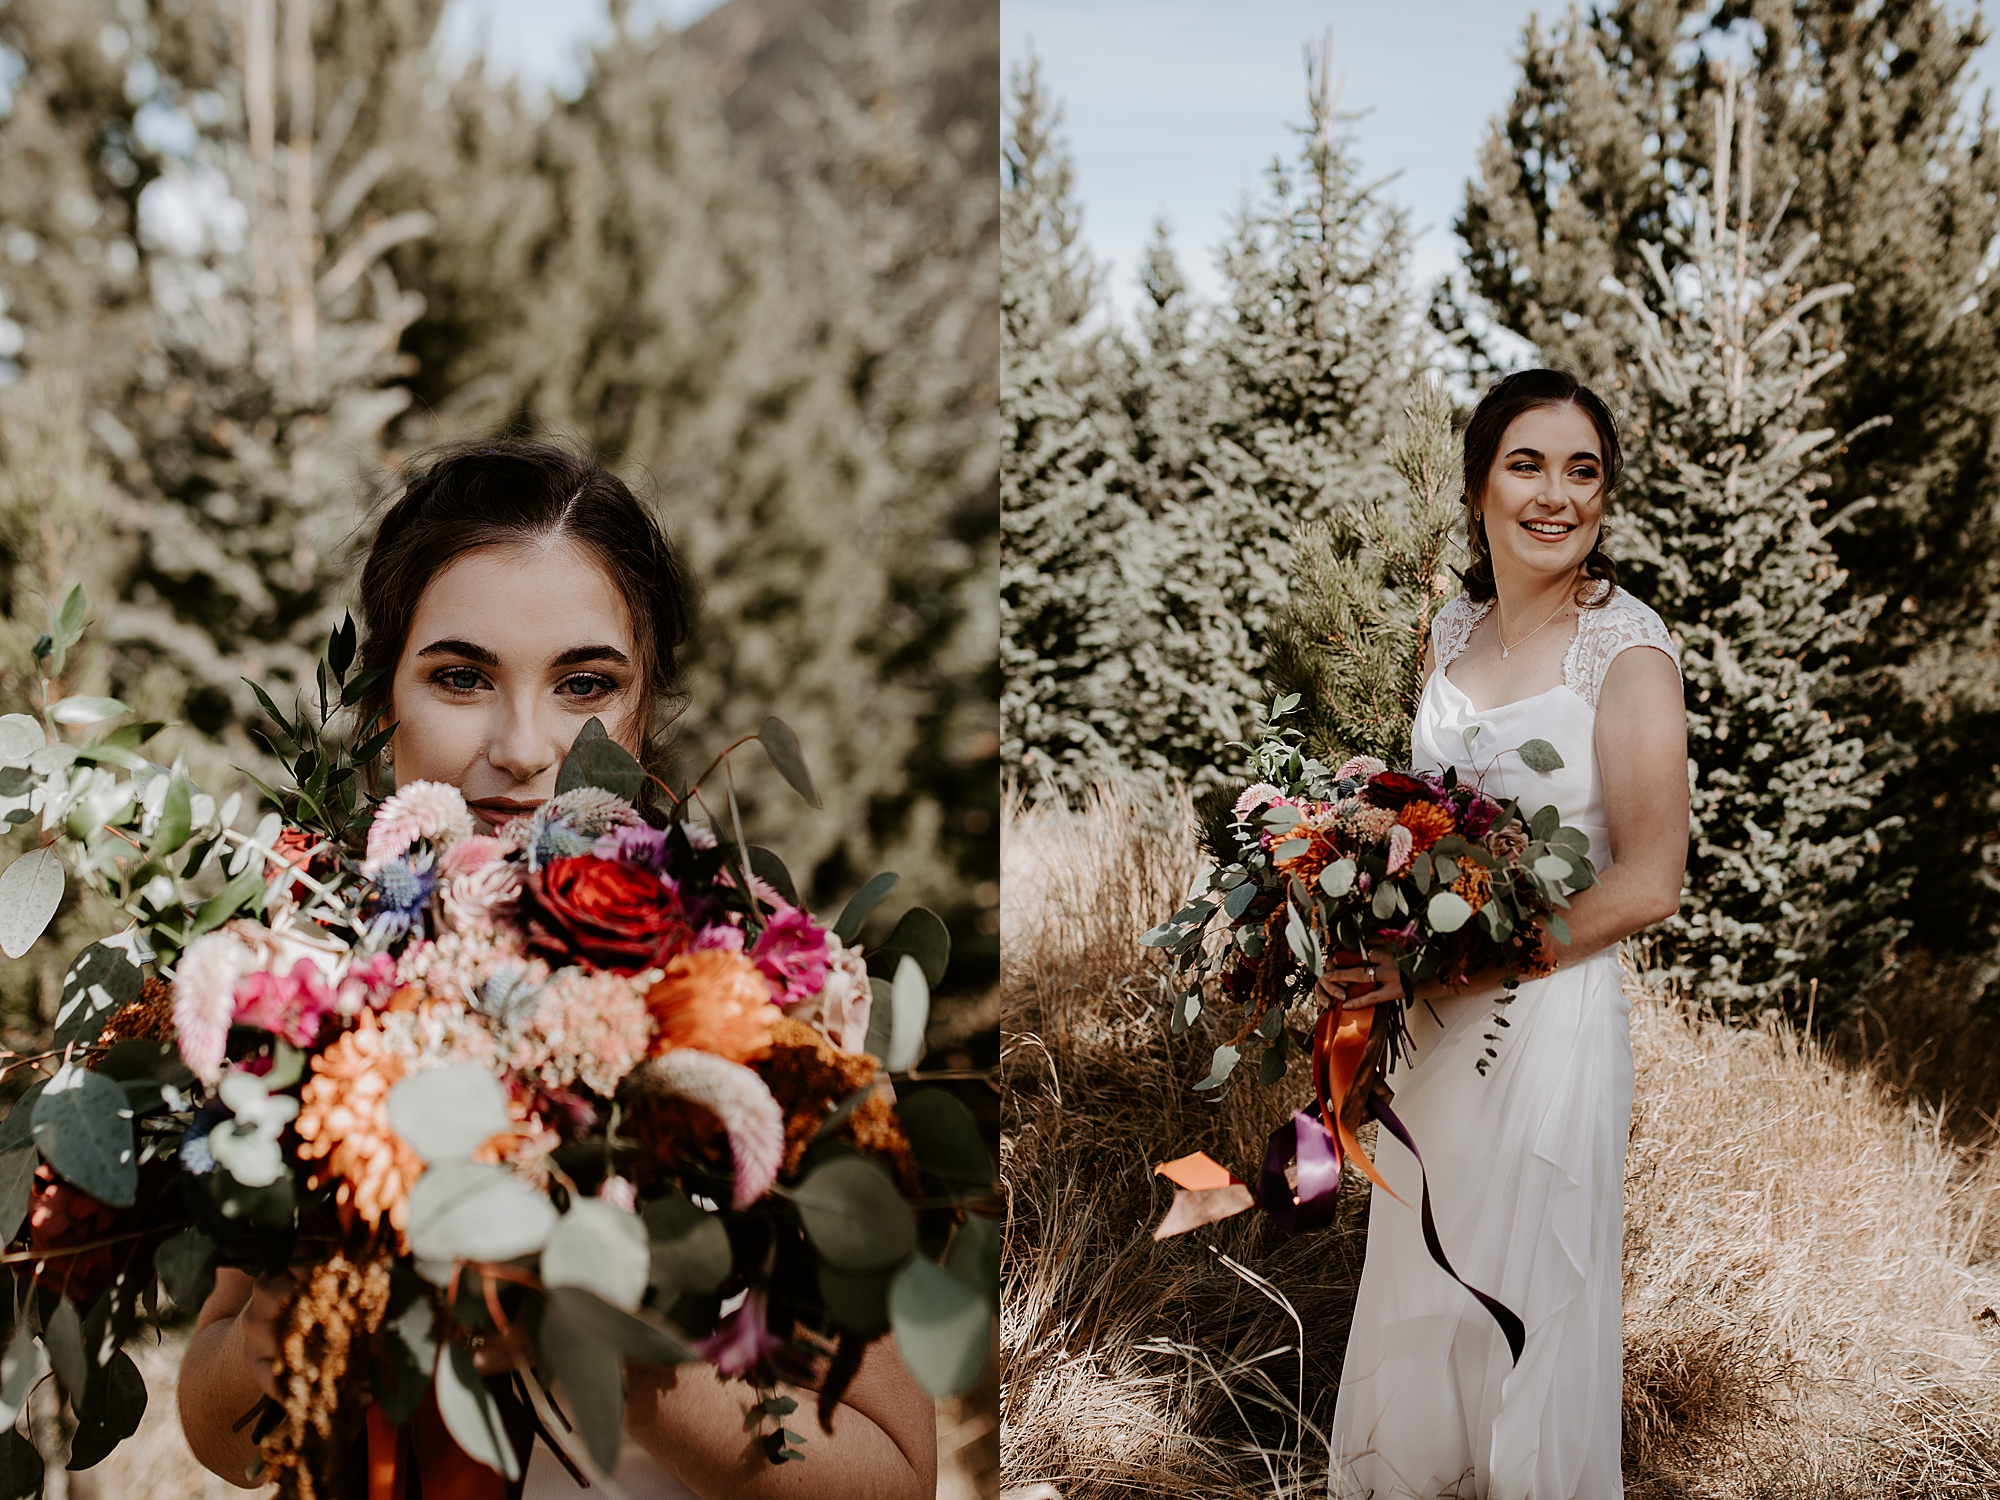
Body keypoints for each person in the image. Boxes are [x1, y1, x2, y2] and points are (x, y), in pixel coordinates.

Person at [176, 440, 938, 1500]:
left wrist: (610, 1356)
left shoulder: (759, 1006)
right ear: (378, 694)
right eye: (459, 676)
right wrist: (271, 1345)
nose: (525, 745)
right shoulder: (313, 984)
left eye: (583, 681)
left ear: (645, 704)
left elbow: (894, 1476)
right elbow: (229, 1436)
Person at [1325, 371, 1688, 1499]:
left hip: (1545, 1032)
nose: (1555, 494)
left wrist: (1456, 960)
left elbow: (1647, 884)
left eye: (1582, 471)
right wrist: (1353, 916)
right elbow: (1420, 826)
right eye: (1526, 464)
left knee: (1527, 1303)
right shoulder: (1450, 627)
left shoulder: (1625, 653)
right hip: (1428, 1032)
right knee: (1423, 1290)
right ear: (1478, 481)